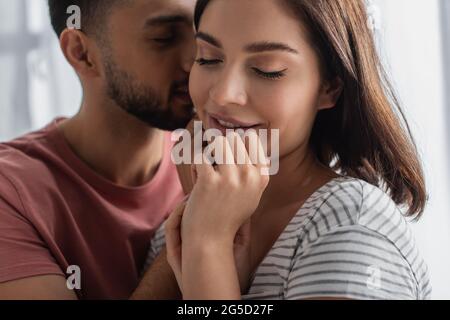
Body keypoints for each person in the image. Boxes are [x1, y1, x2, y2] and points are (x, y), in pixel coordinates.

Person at [144, 0, 432, 300]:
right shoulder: (172, 230)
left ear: (329, 87)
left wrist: (208, 246)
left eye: (267, 70)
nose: (223, 94)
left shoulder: (350, 225)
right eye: (207, 59)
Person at [0, 0, 196, 299]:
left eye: (202, 34)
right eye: (164, 38)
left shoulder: (230, 165)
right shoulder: (11, 193)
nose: (196, 61)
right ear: (82, 52)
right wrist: (199, 222)